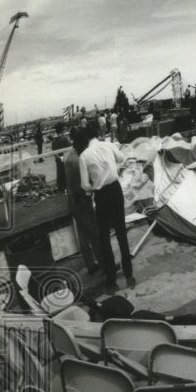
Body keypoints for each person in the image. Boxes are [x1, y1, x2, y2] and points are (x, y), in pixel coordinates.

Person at [80, 122, 134, 291]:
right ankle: (129, 272)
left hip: (101, 194)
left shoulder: (84, 155)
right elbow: (121, 159)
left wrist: (91, 190)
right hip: (115, 190)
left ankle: (111, 279)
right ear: (98, 133)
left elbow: (84, 185)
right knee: (121, 232)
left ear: (85, 137)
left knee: (104, 238)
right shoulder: (109, 145)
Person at [65, 127, 102, 275]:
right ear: (80, 142)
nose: (87, 147)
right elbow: (83, 187)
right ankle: (105, 266)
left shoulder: (69, 158)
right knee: (94, 234)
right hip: (81, 202)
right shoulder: (77, 161)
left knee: (82, 234)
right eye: (85, 144)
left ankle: (90, 264)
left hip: (72, 202)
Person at [51, 122, 72, 192]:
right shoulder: (65, 139)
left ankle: (60, 186)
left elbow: (53, 151)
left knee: (60, 173)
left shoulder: (53, 141)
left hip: (58, 159)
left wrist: (58, 158)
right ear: (62, 130)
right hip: (65, 159)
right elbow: (70, 147)